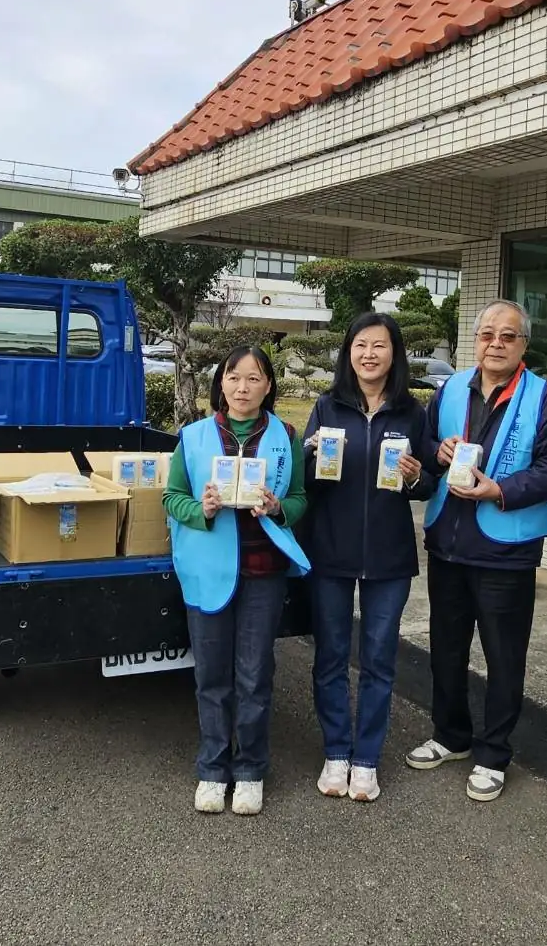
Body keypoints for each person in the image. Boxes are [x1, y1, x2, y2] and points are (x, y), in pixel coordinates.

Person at [404, 299, 547, 802]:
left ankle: (494, 753)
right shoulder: (452, 388)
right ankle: (450, 735)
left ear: (523, 344)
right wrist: (435, 453)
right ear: (474, 340)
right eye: (487, 335)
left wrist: (499, 489)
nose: (495, 344)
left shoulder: (546, 398)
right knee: (446, 649)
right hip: (448, 542)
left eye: (507, 336)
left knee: (503, 657)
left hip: (506, 549)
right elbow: (429, 443)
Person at [164, 345, 310, 816]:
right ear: (220, 384)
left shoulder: (286, 436)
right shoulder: (193, 436)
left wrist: (277, 507)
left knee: (254, 674)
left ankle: (250, 769)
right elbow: (171, 497)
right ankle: (212, 766)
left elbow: (302, 499)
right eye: (233, 378)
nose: (242, 387)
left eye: (254, 378)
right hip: (209, 570)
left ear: (269, 385)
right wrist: (201, 509)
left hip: (263, 572)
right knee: (211, 675)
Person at [301, 312, 433, 803]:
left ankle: (366, 759)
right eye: (361, 345)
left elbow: (426, 488)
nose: (369, 354)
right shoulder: (326, 405)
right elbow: (306, 482)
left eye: (380, 346)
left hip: (389, 555)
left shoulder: (412, 413)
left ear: (394, 353)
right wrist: (309, 455)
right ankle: (336, 752)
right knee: (332, 657)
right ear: (348, 352)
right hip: (330, 551)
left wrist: (417, 476)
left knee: (378, 660)